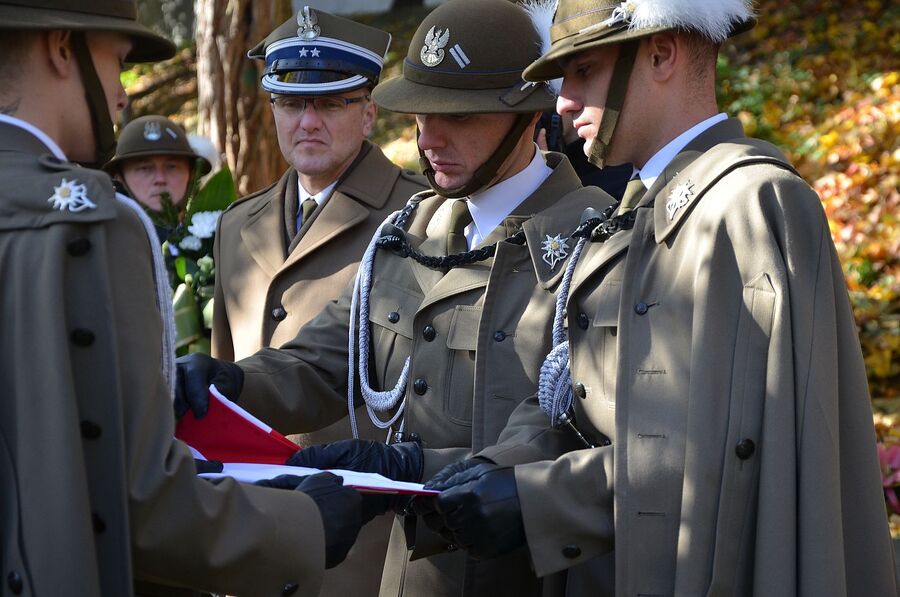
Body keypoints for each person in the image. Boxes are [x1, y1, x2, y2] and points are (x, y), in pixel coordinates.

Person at [420, 0, 900, 595]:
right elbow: (584, 407)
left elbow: (726, 452)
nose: (563, 101)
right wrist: (490, 471)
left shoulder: (747, 205)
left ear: (662, 53)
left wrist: (540, 498)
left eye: (584, 71)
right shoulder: (631, 215)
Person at [175, 0, 615, 595]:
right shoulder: (411, 231)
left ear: (528, 113)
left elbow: (576, 432)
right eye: (420, 114)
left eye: (458, 115)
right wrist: (232, 383)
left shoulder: (594, 242)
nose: (428, 138)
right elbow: (326, 359)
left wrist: (414, 467)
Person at [0, 1, 365, 595]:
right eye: (118, 63)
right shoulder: (90, 223)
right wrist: (303, 525)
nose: (123, 95)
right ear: (62, 49)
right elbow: (134, 497)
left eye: (329, 103)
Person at [210, 7, 427, 596]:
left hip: (362, 544)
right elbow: (226, 388)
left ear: (368, 112)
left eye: (330, 104)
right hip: (254, 531)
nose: (307, 121)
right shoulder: (237, 224)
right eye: (290, 103)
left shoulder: (417, 219)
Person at [104, 114, 211, 214]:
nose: (160, 179)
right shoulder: (103, 227)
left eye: (171, 167)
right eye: (145, 168)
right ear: (120, 178)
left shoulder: (214, 225)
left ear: (191, 174)